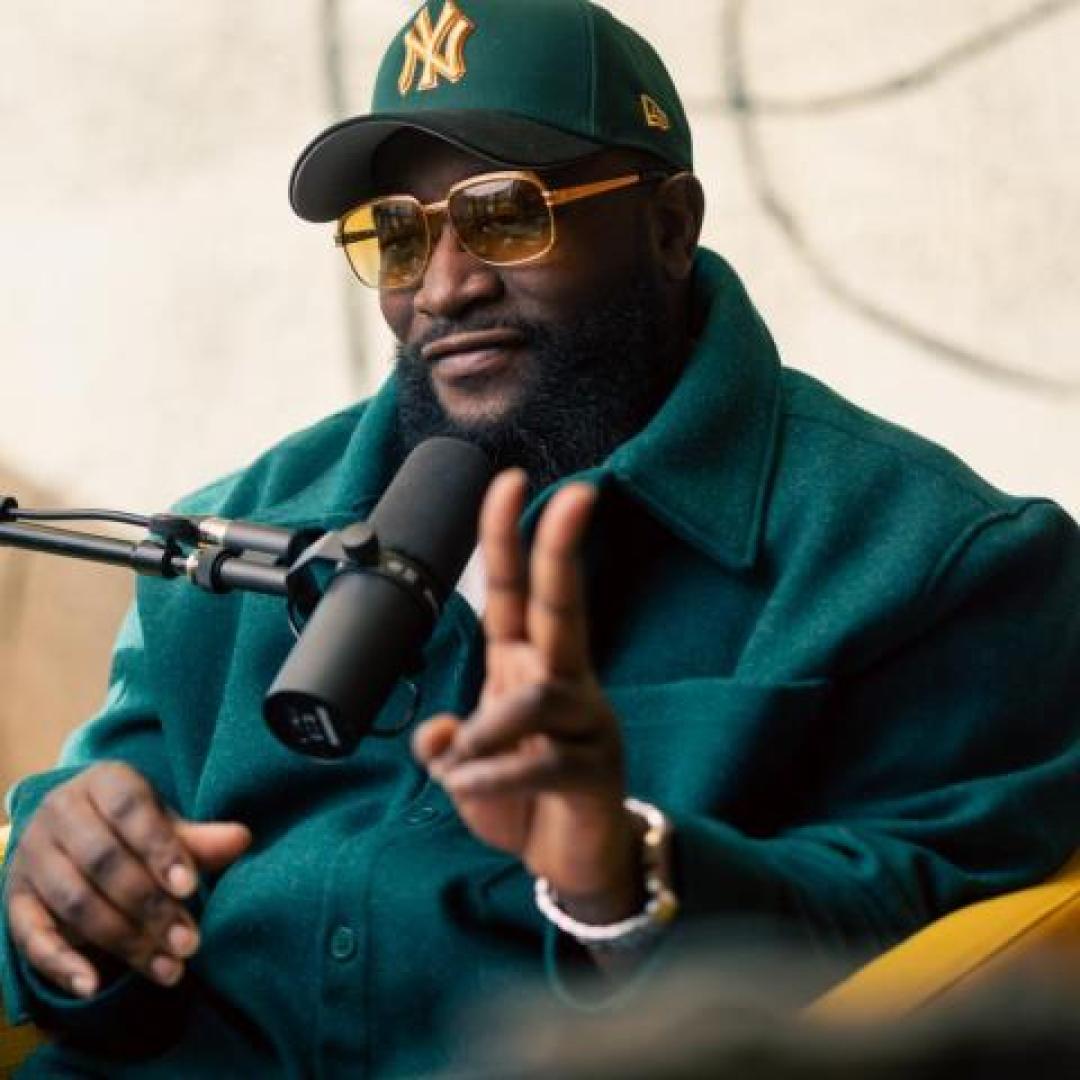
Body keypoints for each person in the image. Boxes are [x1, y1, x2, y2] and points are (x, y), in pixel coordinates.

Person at [2, 0, 1078, 1075]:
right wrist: (61, 881)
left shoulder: (942, 562)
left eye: (509, 215)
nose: (445, 287)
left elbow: (959, 976)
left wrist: (626, 872)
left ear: (670, 226)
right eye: (396, 235)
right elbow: (97, 856)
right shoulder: (237, 532)